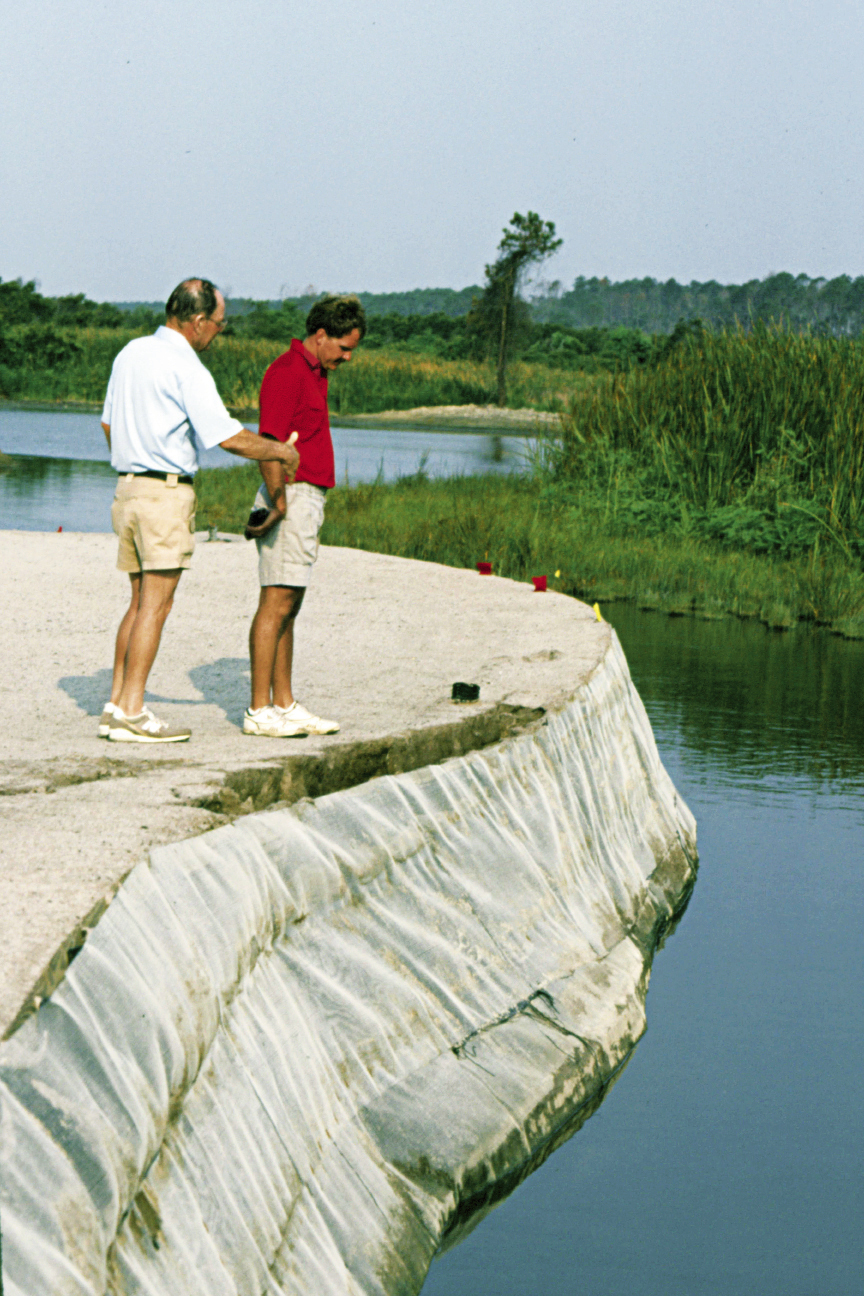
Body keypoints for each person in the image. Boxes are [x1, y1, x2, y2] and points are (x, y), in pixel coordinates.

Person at [100, 278, 300, 744]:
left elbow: (108, 423)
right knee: (156, 604)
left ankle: (116, 704)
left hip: (127, 489)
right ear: (197, 321)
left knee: (138, 602)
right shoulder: (186, 366)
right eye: (219, 324)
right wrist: (281, 451)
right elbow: (227, 437)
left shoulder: (130, 352)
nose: (218, 333)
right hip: (164, 493)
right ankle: (132, 711)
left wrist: (136, 456)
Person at [242, 294, 366, 737]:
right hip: (291, 495)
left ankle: (285, 703)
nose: (348, 357)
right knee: (275, 601)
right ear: (321, 335)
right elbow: (269, 445)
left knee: (290, 604)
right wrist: (279, 503)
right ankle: (259, 710)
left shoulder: (314, 373)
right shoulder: (287, 371)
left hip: (306, 497)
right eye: (344, 348)